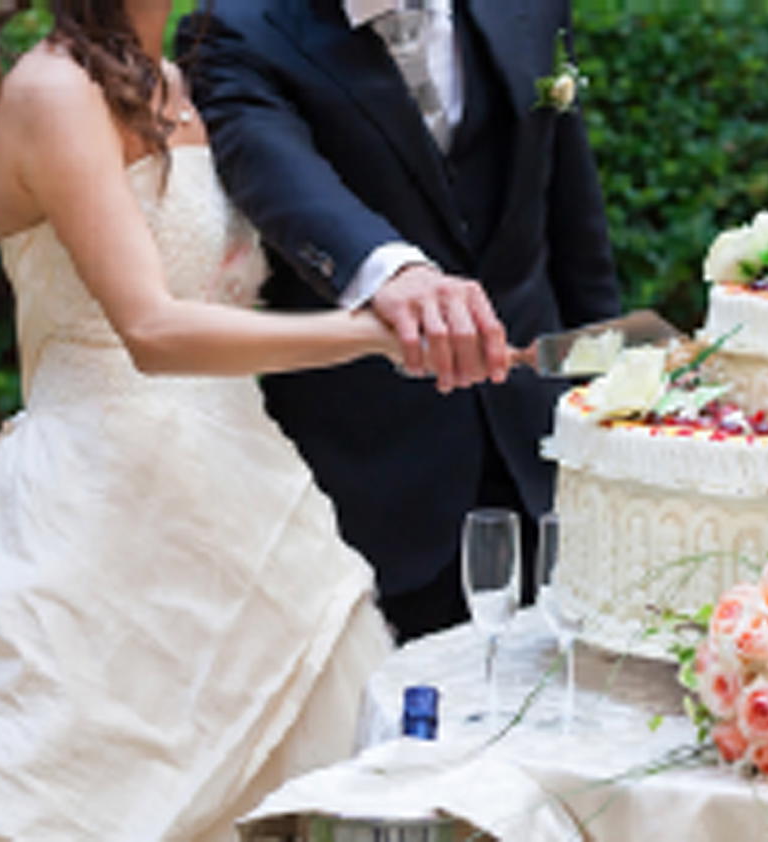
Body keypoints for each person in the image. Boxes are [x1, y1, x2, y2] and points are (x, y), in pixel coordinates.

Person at [0, 1, 397, 838]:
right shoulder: (51, 90)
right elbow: (151, 331)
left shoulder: (191, 84)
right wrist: (372, 338)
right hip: (94, 529)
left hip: (249, 502)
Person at [179, 0, 622, 642]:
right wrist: (389, 274)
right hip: (373, 475)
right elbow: (282, 177)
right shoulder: (238, 29)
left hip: (541, 445)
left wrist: (607, 384)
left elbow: (568, 210)